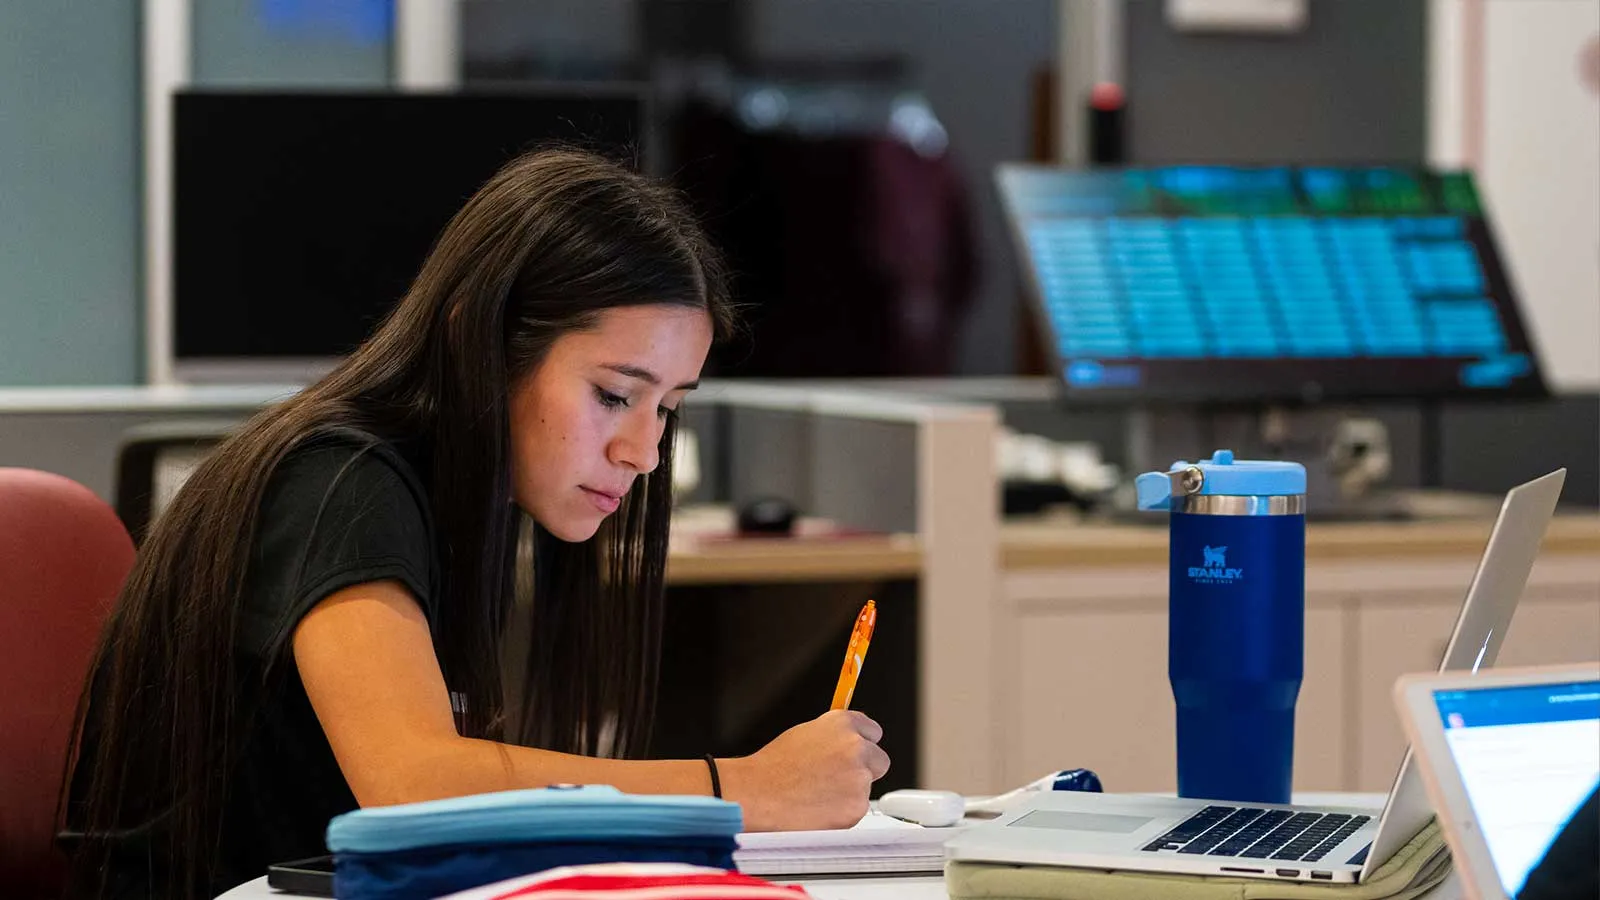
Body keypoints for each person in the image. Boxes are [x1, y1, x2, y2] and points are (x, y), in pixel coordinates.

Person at [62, 149, 891, 900]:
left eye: (668, 408)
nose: (645, 451)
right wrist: (740, 787)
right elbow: (412, 781)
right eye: (614, 395)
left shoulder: (465, 501)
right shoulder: (342, 481)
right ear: (481, 342)